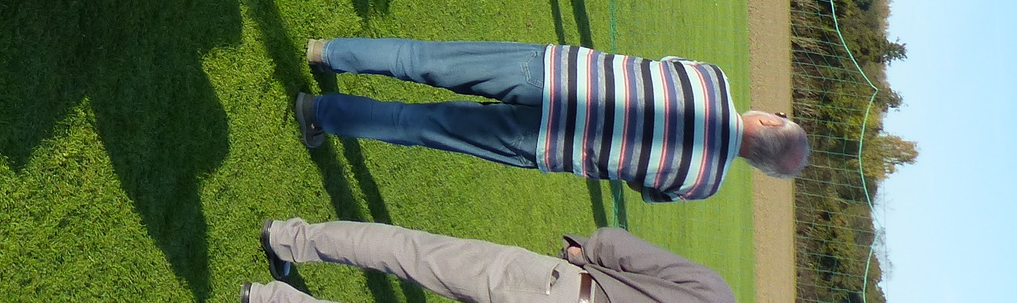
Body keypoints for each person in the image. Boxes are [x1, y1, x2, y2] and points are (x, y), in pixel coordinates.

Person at [290, 38, 807, 201]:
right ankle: (318, 112)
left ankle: (327, 52)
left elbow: (659, 67)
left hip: (556, 73)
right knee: (421, 126)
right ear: (759, 166)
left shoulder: (713, 79)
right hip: (546, 142)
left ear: (769, 123)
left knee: (430, 60)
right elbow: (642, 186)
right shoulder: (702, 185)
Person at [242, 216, 737, 303]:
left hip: (562, 289)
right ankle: (264, 299)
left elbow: (617, 247)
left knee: (415, 253)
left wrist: (581, 253)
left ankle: (285, 238)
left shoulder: (719, 294)